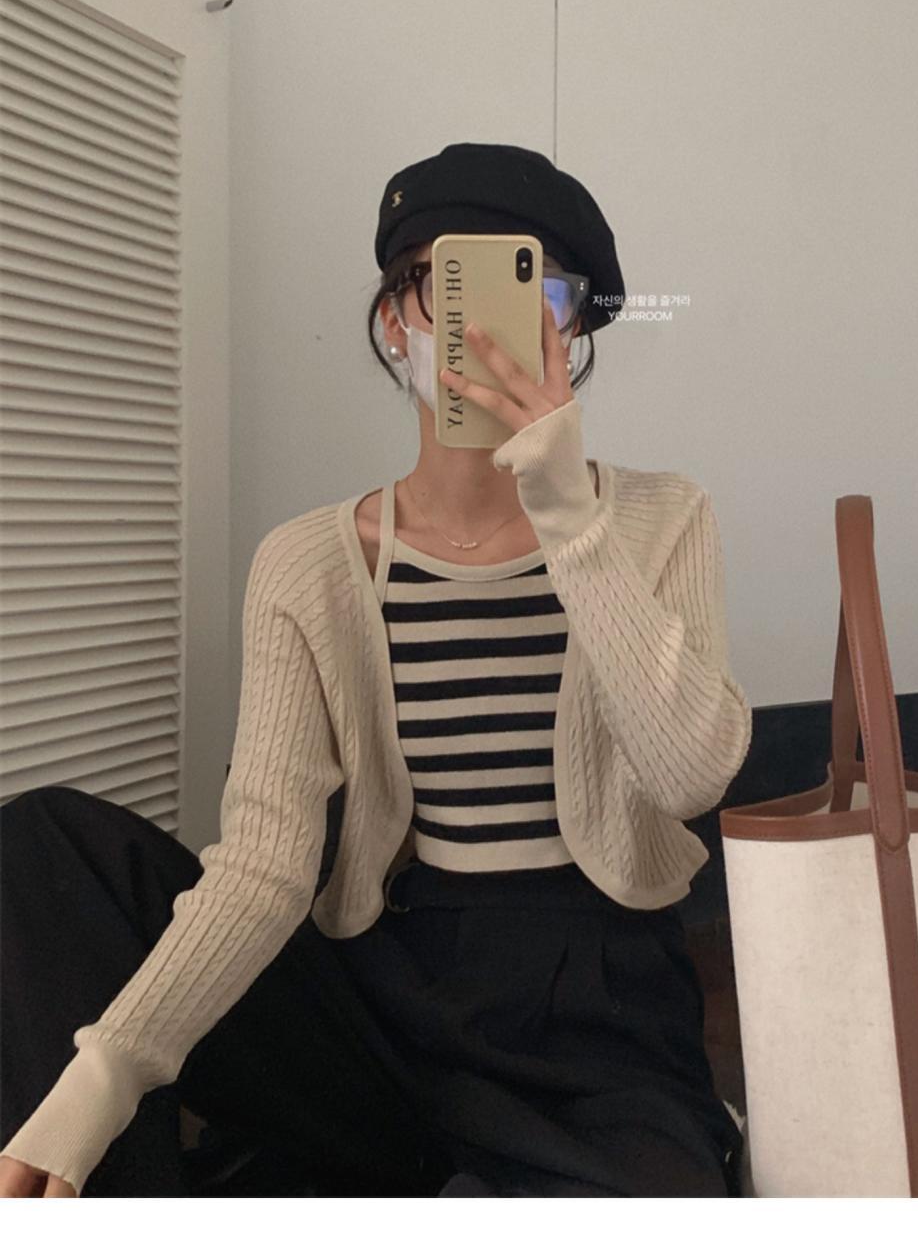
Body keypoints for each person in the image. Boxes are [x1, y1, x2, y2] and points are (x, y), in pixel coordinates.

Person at [0, 145, 750, 1199]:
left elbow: (692, 775)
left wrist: (566, 514)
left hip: (597, 1004)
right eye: (444, 286)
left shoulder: (660, 518)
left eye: (532, 293)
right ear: (396, 319)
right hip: (385, 992)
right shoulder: (309, 562)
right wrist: (107, 1072)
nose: (481, 330)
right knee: (44, 843)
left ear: (572, 329)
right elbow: (265, 864)